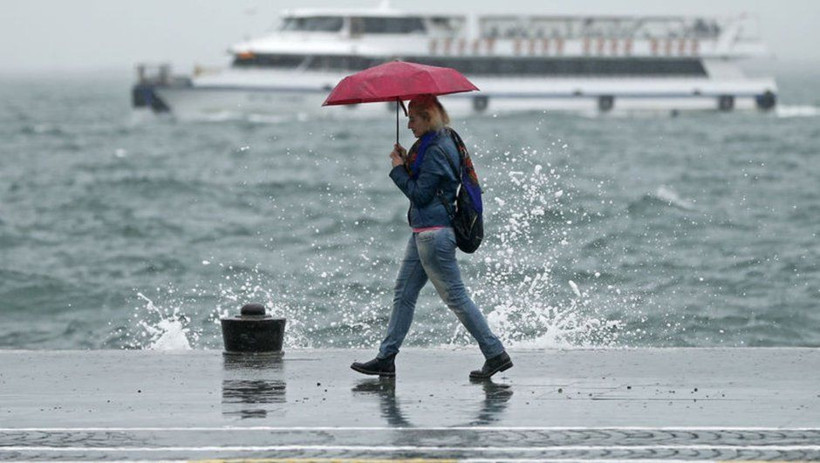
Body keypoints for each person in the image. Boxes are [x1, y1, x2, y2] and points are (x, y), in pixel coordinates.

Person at [351, 94, 512, 380]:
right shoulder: (436, 142)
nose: (409, 123)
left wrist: (398, 170)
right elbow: (429, 183)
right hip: (424, 233)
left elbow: (421, 195)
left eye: (413, 118)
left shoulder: (436, 149)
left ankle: (495, 353)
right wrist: (408, 162)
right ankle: (386, 357)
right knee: (404, 294)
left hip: (434, 235)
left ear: (428, 117)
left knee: (456, 298)